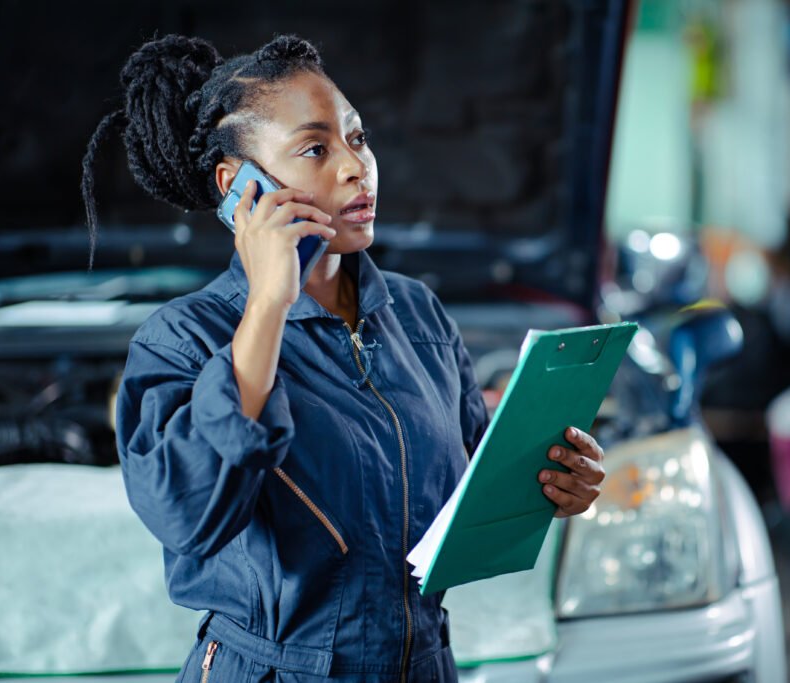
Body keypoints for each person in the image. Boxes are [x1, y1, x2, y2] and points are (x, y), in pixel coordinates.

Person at [80, 33, 607, 683]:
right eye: (315, 148)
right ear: (236, 187)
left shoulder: (418, 317)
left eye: (357, 139)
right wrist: (268, 305)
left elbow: (466, 493)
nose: (356, 167)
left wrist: (552, 484)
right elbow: (187, 511)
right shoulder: (184, 338)